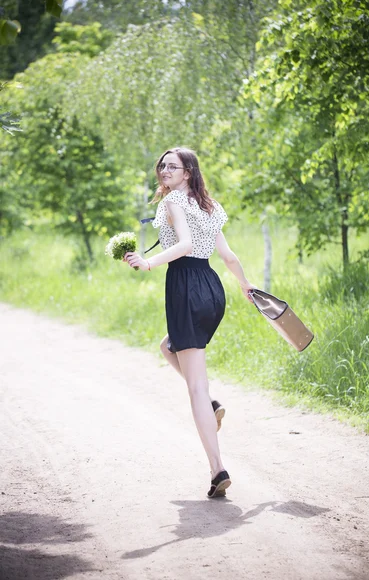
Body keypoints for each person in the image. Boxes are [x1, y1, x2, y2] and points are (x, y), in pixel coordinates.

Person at [124, 147, 256, 498]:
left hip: (186, 288)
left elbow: (183, 245)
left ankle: (218, 470)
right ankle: (212, 404)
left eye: (172, 166)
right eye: (161, 165)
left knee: (195, 386)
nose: (164, 170)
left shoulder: (174, 203)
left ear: (188, 172)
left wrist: (148, 263)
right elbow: (227, 256)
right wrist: (246, 285)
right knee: (168, 346)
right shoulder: (206, 204)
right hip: (212, 290)